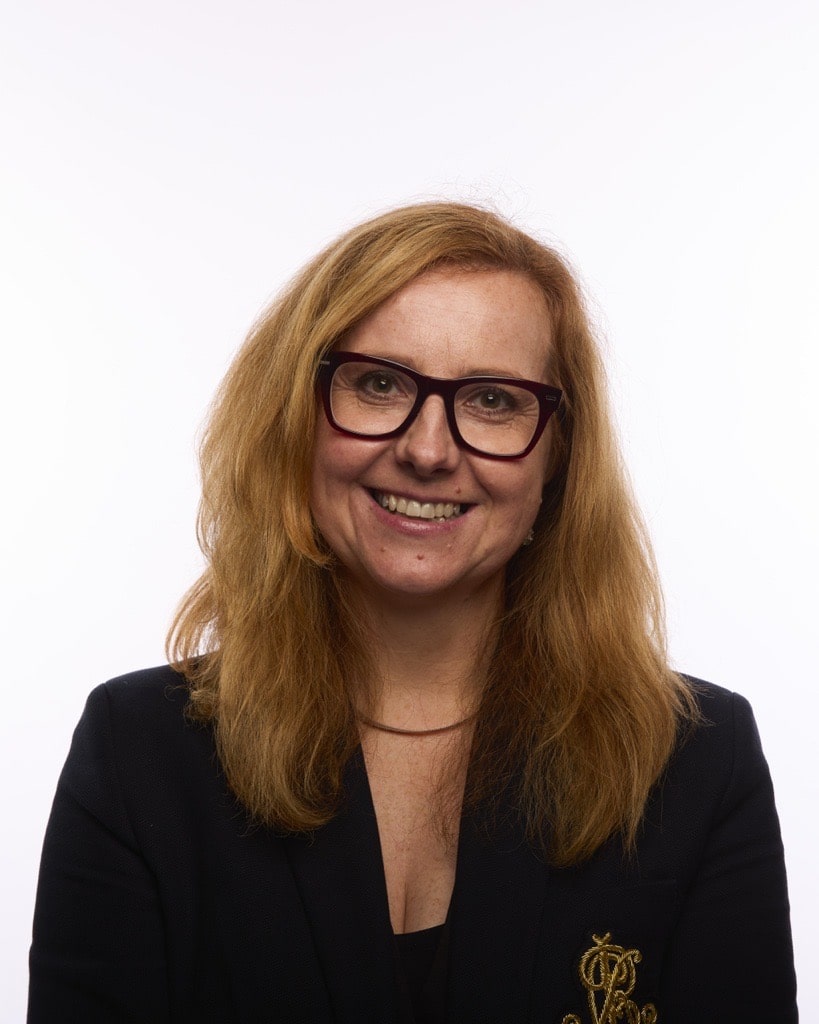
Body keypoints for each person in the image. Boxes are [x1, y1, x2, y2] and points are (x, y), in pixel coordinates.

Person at [28, 202, 797, 1023]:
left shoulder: (694, 760)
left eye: (492, 399)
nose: (427, 451)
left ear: (557, 456)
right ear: (296, 416)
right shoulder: (138, 751)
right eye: (378, 384)